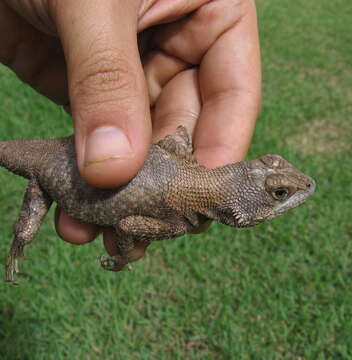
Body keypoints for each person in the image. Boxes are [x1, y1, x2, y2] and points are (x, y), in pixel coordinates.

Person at [0, 0, 261, 264]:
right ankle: (15, 251)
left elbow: (176, 138)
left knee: (27, 233)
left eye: (279, 193)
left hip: (66, 157)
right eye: (279, 194)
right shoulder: (177, 224)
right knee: (26, 232)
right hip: (50, 174)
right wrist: (123, 255)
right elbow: (126, 227)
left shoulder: (185, 161)